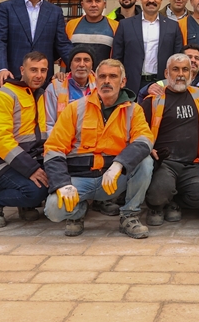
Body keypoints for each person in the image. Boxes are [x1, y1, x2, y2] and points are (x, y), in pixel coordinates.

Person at [43, 58, 154, 238]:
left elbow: (144, 140)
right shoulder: (75, 109)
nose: (107, 81)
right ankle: (77, 213)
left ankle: (129, 215)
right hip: (79, 179)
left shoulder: (134, 110)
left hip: (112, 179)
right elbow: (54, 148)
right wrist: (62, 184)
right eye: (102, 76)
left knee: (146, 161)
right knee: (53, 210)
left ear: (123, 81)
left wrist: (119, 164)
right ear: (96, 79)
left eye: (112, 76)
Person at [0, 52, 55, 229]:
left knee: (61, 180)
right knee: (36, 191)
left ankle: (25, 202)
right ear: (22, 70)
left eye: (43, 70)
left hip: (32, 160)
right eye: (33, 70)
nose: (39, 75)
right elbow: (1, 140)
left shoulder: (42, 95)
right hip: (2, 164)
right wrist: (31, 169)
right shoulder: (3, 96)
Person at [143, 54, 199, 225]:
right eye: (175, 69)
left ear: (192, 73)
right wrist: (147, 147)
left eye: (185, 69)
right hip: (164, 164)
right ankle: (159, 204)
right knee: (158, 193)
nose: (181, 74)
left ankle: (174, 203)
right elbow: (137, 131)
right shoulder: (153, 100)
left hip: (192, 163)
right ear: (166, 73)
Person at [0, 0, 72, 88]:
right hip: (11, 76)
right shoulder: (7, 8)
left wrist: (76, 68)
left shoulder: (55, 12)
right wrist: (2, 69)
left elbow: (62, 44)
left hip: (42, 79)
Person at [113, 0, 184, 95]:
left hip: (163, 84)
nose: (151, 0)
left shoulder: (173, 26)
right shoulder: (124, 25)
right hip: (132, 85)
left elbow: (178, 58)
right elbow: (117, 59)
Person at [65, 0, 118, 69]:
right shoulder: (71, 25)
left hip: (103, 79)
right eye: (89, 1)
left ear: (104, 4)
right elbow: (66, 55)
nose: (94, 5)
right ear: (82, 4)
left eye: (97, 1)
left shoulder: (115, 26)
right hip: (76, 79)